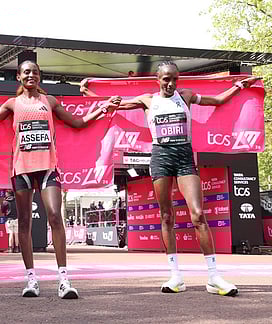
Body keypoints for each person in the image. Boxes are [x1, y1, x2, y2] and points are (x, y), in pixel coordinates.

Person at [81, 61, 261, 296]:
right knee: (166, 216)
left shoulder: (185, 96)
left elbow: (217, 101)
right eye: (166, 79)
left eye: (174, 79)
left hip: (185, 157)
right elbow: (115, 105)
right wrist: (89, 92)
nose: (171, 83)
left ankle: (214, 276)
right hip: (160, 157)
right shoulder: (147, 100)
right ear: (158, 79)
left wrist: (239, 85)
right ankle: (175, 276)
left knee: (198, 214)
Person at [0, 60, 120, 299]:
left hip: (47, 167)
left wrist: (102, 108)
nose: (30, 75)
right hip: (21, 169)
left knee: (55, 215)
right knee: (24, 222)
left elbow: (77, 123)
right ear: (19, 77)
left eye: (34, 72)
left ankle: (64, 279)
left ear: (39, 76)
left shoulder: (50, 101)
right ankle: (31, 279)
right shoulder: (11, 104)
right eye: (26, 72)